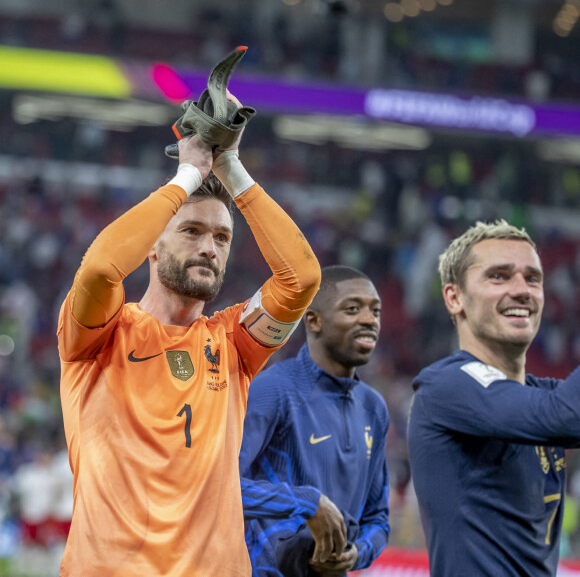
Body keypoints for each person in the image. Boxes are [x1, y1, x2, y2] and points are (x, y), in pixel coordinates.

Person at [57, 92, 321, 577]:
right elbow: (98, 270)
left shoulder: (234, 342)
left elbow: (300, 279)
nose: (209, 248)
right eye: (191, 231)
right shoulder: (100, 335)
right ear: (151, 248)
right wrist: (188, 176)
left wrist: (232, 168)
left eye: (222, 238)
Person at [407, 220, 580, 576]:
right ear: (455, 298)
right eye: (499, 276)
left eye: (533, 278)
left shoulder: (542, 397)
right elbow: (565, 417)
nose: (522, 290)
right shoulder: (446, 386)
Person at [240, 265, 390, 576]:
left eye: (375, 311)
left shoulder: (374, 408)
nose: (369, 319)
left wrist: (357, 553)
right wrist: (307, 502)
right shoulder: (273, 389)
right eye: (352, 309)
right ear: (314, 320)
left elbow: (379, 518)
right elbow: (225, 487)